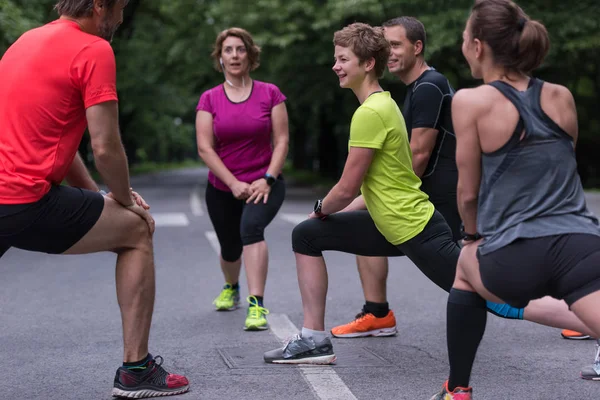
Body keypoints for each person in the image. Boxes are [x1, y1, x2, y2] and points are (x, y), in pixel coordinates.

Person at [262, 22, 593, 365]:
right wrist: (327, 214)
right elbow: (377, 184)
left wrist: (320, 206)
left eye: (343, 59)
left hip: (414, 227)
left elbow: (347, 187)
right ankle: (314, 340)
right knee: (307, 235)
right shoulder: (384, 104)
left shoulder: (370, 113)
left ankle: (591, 321)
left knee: (496, 297)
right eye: (336, 59)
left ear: (367, 64)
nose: (336, 66)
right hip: (391, 224)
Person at [0, 0, 189, 398]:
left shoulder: (25, 42)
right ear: (100, 6)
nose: (121, 18)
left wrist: (102, 198)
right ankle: (136, 370)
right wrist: (126, 202)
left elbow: (53, 145)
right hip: (24, 200)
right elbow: (104, 147)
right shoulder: (93, 49)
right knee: (136, 231)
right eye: (120, 8)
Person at [431, 1, 600, 398]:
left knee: (464, 268)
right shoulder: (560, 96)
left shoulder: (471, 102)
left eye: (462, 39)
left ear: (476, 46)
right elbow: (560, 168)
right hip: (581, 246)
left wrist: (471, 236)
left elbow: (467, 191)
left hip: (513, 257)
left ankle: (458, 390)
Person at [331, 16, 462, 339]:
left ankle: (575, 307)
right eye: (385, 44)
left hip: (432, 204)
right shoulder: (414, 89)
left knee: (476, 283)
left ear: (417, 47)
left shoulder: (429, 86)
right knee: (360, 234)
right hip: (420, 201)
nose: (388, 52)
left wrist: (371, 200)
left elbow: (417, 156)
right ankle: (377, 312)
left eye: (395, 45)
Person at [195, 27, 289, 331]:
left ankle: (256, 304)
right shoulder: (209, 99)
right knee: (230, 247)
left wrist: (268, 178)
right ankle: (231, 286)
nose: (235, 55)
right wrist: (233, 183)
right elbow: (204, 148)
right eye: (228, 50)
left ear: (250, 55)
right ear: (220, 58)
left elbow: (283, 140)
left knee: (251, 228)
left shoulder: (270, 93)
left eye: (240, 49)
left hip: (265, 183)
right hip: (223, 187)